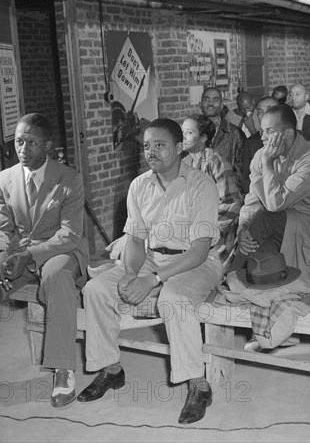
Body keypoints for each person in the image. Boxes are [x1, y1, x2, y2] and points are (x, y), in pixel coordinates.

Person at [78, 118, 223, 425]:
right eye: (146, 146)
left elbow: (199, 251)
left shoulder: (201, 185)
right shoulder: (139, 185)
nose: (151, 152)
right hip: (150, 257)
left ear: (180, 148)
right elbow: (134, 239)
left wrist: (153, 280)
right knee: (96, 289)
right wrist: (131, 272)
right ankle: (111, 369)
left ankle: (199, 385)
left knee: (173, 298)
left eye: (160, 145)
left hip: (195, 262)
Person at [0, 113, 89, 409]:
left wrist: (29, 255)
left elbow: (70, 234)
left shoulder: (69, 179)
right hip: (17, 253)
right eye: (19, 141)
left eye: (31, 142)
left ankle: (63, 368)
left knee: (56, 276)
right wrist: (4, 256)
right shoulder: (2, 180)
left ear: (48, 145)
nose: (23, 148)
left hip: (60, 252)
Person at [230, 104, 310, 286]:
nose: (262, 137)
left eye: (269, 131)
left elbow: (275, 204)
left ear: (287, 133)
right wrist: (243, 229)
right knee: (264, 246)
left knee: (265, 217)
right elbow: (253, 202)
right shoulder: (261, 156)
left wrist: (268, 164)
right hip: (276, 225)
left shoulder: (309, 157)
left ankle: (233, 279)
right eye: (262, 130)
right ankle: (259, 291)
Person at [181, 114, 243, 255]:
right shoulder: (184, 163)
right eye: (182, 132)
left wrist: (206, 229)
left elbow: (232, 202)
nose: (183, 137)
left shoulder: (216, 161)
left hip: (218, 235)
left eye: (189, 133)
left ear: (203, 138)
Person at [200, 86, 246, 189]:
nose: (210, 103)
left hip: (226, 195)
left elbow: (241, 170)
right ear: (201, 104)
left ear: (221, 105)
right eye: (206, 99)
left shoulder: (235, 133)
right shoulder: (192, 133)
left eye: (215, 100)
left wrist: (226, 190)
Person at [242, 96, 278, 192]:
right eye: (260, 112)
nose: (265, 115)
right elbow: (245, 178)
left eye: (270, 110)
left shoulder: (291, 136)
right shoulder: (251, 142)